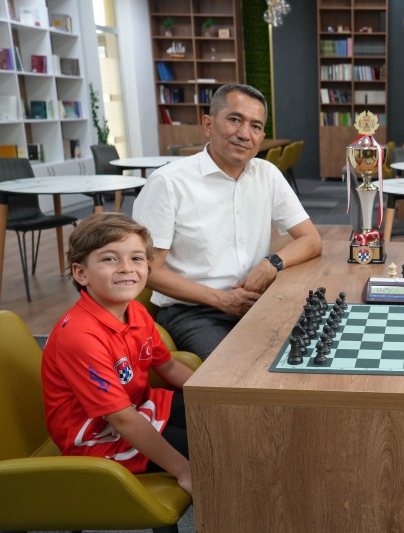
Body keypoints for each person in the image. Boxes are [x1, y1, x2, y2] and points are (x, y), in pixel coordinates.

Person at [133, 83, 322, 360]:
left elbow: (311, 240)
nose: (244, 134)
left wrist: (272, 263)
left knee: (311, 352)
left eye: (255, 126)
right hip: (193, 311)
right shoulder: (168, 182)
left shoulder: (267, 174)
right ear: (208, 124)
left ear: (262, 136)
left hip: (253, 301)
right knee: (240, 371)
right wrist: (221, 300)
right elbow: (147, 270)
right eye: (235, 120)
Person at [41, 213, 194, 495]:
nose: (126, 268)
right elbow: (122, 420)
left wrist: (218, 395)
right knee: (210, 449)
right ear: (81, 273)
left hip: (140, 408)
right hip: (98, 438)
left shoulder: (135, 311)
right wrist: (185, 470)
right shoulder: (80, 337)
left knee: (220, 421)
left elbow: (169, 366)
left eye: (136, 258)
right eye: (110, 259)